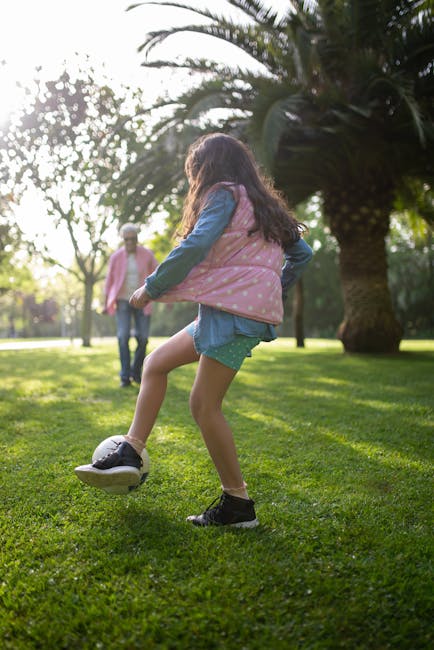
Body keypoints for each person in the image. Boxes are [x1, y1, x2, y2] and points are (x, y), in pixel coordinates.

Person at [75, 133, 313, 528]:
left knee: (204, 406)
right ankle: (131, 450)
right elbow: (302, 255)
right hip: (227, 313)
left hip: (232, 316)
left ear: (206, 169)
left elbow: (198, 243)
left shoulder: (223, 194)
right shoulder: (265, 206)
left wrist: (150, 287)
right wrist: (270, 289)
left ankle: (238, 504)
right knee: (154, 363)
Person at [104, 223, 158, 387]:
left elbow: (158, 273)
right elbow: (109, 281)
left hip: (142, 299)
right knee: (122, 337)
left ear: (137, 239)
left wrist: (162, 294)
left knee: (143, 338)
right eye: (126, 239)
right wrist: (105, 301)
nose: (130, 242)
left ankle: (136, 372)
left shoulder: (147, 255)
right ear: (123, 240)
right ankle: (124, 377)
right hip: (122, 300)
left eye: (133, 239)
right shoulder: (116, 257)